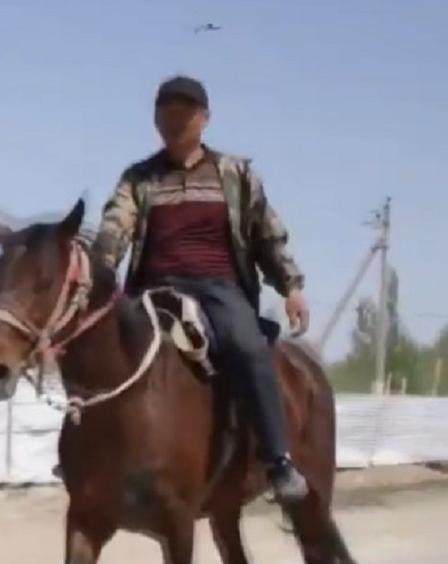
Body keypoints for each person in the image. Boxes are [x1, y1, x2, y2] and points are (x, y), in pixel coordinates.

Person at [94, 75, 311, 502]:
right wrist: (99, 271)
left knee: (247, 345)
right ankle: (89, 453)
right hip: (152, 288)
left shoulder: (236, 174)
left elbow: (267, 234)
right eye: (166, 114)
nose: (175, 122)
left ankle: (277, 459)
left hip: (219, 288)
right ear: (154, 120)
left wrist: (292, 286)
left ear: (205, 119)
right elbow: (114, 229)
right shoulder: (139, 179)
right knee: (103, 345)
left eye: (185, 114)